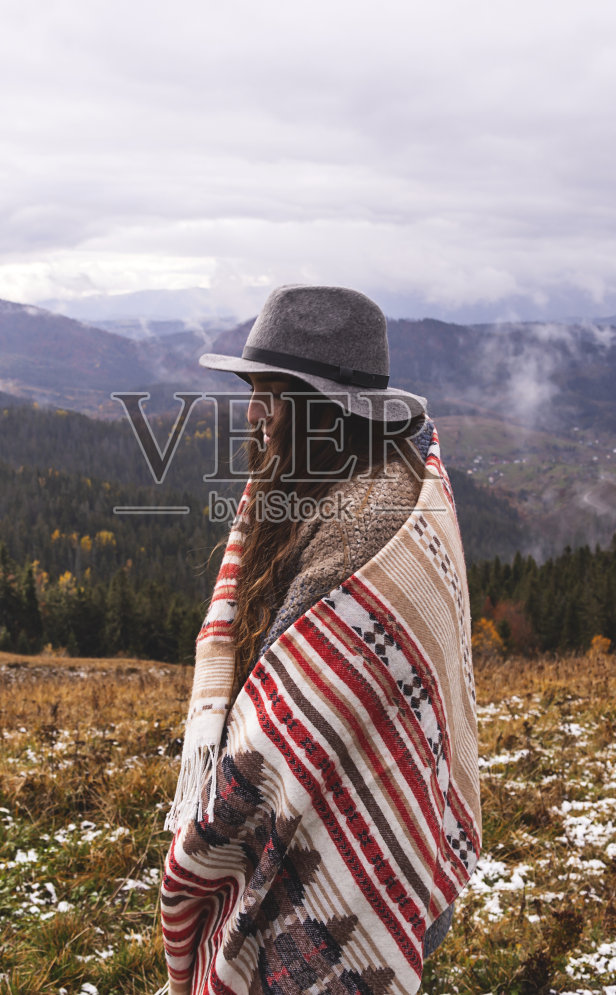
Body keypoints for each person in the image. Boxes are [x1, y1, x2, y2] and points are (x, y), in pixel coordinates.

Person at [158, 285, 482, 994]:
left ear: (320, 411)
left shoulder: (363, 528)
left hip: (349, 884)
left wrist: (203, 847)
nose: (252, 414)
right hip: (401, 859)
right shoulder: (364, 476)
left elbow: (282, 740)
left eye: (270, 396)